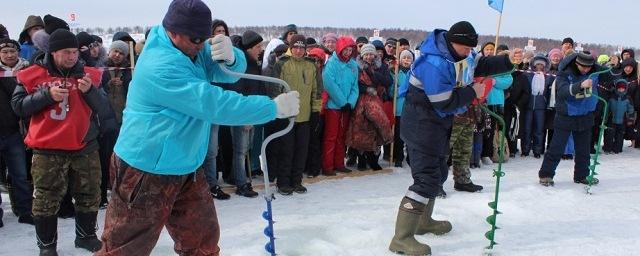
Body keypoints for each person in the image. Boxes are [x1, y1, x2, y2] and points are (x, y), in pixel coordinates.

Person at [96, 1, 300, 255]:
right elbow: (213, 104)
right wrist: (271, 108)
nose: (201, 45)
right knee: (124, 249)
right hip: (145, 170)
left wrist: (232, 55)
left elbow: (225, 71)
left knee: (202, 243)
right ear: (173, 31)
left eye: (205, 38)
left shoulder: (190, 45)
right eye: (196, 39)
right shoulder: (161, 66)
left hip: (187, 165)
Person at [389, 21, 517, 255]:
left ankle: (423, 222)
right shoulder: (434, 63)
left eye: (471, 49)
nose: (470, 53)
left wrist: (509, 61)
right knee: (426, 179)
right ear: (453, 42)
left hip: (437, 125)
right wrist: (472, 92)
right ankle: (402, 237)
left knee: (438, 173)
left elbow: (478, 64)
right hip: (421, 125)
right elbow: (443, 101)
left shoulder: (458, 53)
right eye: (466, 48)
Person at [12, 28, 116, 255]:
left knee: (89, 195)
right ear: (53, 52)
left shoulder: (89, 75)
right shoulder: (33, 74)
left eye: (75, 52)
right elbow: (18, 106)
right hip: (47, 149)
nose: (72, 57)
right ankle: (47, 246)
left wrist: (90, 92)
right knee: (46, 199)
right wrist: (46, 96)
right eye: (66, 52)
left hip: (84, 145)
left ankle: (86, 236)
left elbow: (105, 109)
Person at [538, 52, 609, 186]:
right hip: (566, 115)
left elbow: (610, 77)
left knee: (583, 149)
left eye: (589, 67)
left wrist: (608, 66)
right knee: (557, 147)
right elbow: (563, 91)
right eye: (583, 67)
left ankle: (582, 175)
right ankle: (546, 174)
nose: (586, 70)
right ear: (576, 63)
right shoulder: (564, 72)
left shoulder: (594, 71)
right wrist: (580, 85)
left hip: (585, 115)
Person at [268, 34, 318, 195]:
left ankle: (296, 181)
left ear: (305, 49)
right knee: (286, 151)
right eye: (295, 47)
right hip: (286, 116)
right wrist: (278, 111)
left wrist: (316, 111)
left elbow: (317, 91)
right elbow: (275, 90)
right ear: (290, 47)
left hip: (304, 116)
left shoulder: (311, 66)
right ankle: (283, 182)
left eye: (301, 48)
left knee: (301, 151)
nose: (298, 50)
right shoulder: (282, 64)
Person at [0, 38, 34, 226]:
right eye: (5, 52)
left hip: (16, 131)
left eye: (12, 51)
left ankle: (25, 211)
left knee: (20, 175)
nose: (9, 55)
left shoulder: (27, 70)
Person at [322, 36, 358, 176]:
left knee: (341, 137)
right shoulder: (331, 63)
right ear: (340, 49)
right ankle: (328, 166)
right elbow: (329, 84)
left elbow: (355, 87)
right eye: (346, 50)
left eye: (350, 50)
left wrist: (351, 102)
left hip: (347, 107)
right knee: (331, 136)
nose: (348, 52)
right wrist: (342, 102)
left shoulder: (353, 65)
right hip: (334, 106)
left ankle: (339, 163)